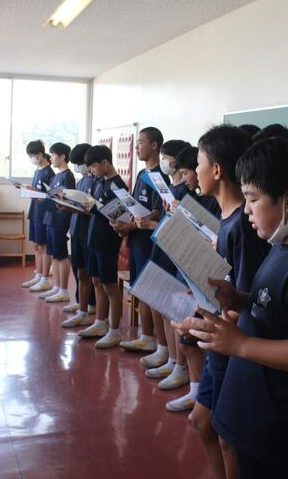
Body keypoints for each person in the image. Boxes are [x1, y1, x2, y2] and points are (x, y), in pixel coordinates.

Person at [186, 138, 288, 479]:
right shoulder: (284, 241)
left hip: (280, 428)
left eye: (252, 199)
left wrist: (241, 344)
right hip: (253, 411)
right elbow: (276, 304)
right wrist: (238, 298)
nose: (246, 211)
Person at [174, 124, 271, 478]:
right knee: (202, 421)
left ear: (216, 170)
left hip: (232, 345)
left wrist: (197, 323)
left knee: (227, 435)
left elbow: (244, 304)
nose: (194, 171)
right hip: (220, 340)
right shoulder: (227, 220)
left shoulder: (243, 226)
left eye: (198, 163)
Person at [162, 145, 221, 413]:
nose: (187, 177)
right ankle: (195, 391)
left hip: (205, 279)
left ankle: (200, 395)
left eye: (190, 171)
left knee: (198, 339)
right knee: (186, 337)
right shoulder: (195, 198)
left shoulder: (215, 204)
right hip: (187, 272)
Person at [133, 139, 192, 392]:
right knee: (164, 309)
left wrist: (150, 225)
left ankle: (180, 366)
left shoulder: (186, 192)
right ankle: (168, 356)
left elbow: (183, 228)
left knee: (175, 311)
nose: (165, 162)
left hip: (174, 254)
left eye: (167, 158)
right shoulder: (170, 188)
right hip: (162, 249)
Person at [114, 127, 167, 355]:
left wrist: (129, 226)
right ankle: (146, 337)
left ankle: (158, 342)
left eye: (141, 142)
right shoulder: (141, 174)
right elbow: (135, 207)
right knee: (140, 290)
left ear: (154, 145)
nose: (136, 147)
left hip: (149, 243)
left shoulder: (160, 176)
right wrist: (122, 224)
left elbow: (155, 213)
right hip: (135, 240)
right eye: (136, 142)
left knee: (150, 291)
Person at [77, 145, 128, 348]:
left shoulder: (118, 185)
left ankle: (114, 331)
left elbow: (121, 216)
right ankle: (100, 322)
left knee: (110, 285)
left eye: (94, 166)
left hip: (107, 240)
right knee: (96, 281)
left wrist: (97, 209)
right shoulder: (99, 181)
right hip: (93, 237)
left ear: (105, 163)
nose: (92, 171)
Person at [62, 143, 98, 327]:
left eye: (79, 163)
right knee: (79, 271)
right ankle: (81, 303)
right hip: (76, 230)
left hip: (88, 233)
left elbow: (92, 209)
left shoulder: (95, 181)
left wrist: (76, 207)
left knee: (89, 274)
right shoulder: (82, 180)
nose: (78, 167)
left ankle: (89, 305)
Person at [39, 142, 76, 303]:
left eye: (54, 155)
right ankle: (56, 286)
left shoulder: (67, 176)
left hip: (60, 220)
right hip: (50, 218)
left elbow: (66, 199)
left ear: (62, 156)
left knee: (61, 255)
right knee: (53, 254)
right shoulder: (56, 176)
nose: (51, 158)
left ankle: (63, 290)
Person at [21, 140, 55, 293]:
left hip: (44, 213)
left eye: (32, 156)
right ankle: (38, 275)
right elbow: (37, 190)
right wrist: (27, 189)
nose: (31, 159)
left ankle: (45, 279)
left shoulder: (49, 173)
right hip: (34, 211)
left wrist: (32, 189)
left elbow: (50, 196)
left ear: (40, 155)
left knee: (43, 246)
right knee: (36, 245)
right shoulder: (37, 170)